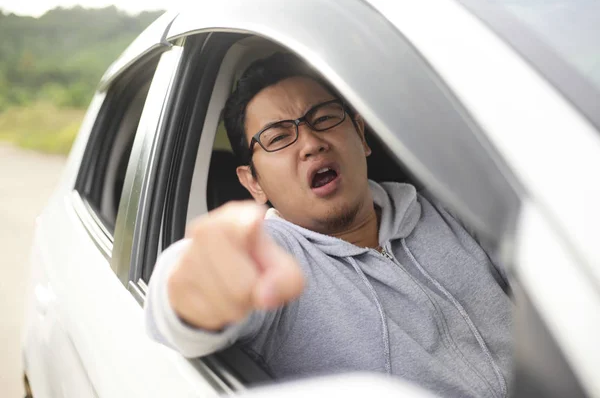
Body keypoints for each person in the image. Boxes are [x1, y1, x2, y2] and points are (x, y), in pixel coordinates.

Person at [144, 53, 513, 398]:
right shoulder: (274, 258)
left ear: (361, 134)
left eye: (323, 119)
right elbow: (179, 306)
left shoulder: (453, 208)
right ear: (253, 182)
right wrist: (192, 292)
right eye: (277, 137)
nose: (310, 143)